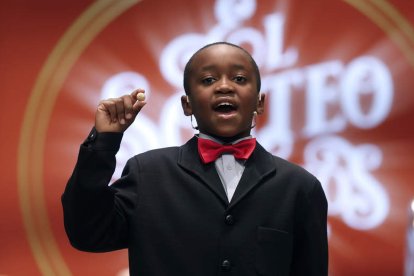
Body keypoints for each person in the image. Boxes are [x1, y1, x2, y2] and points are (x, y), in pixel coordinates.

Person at [62, 42, 328, 276]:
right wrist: (104, 142)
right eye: (209, 80)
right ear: (187, 105)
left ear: (259, 102)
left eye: (239, 78)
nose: (224, 86)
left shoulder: (300, 187)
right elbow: (88, 234)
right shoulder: (147, 174)